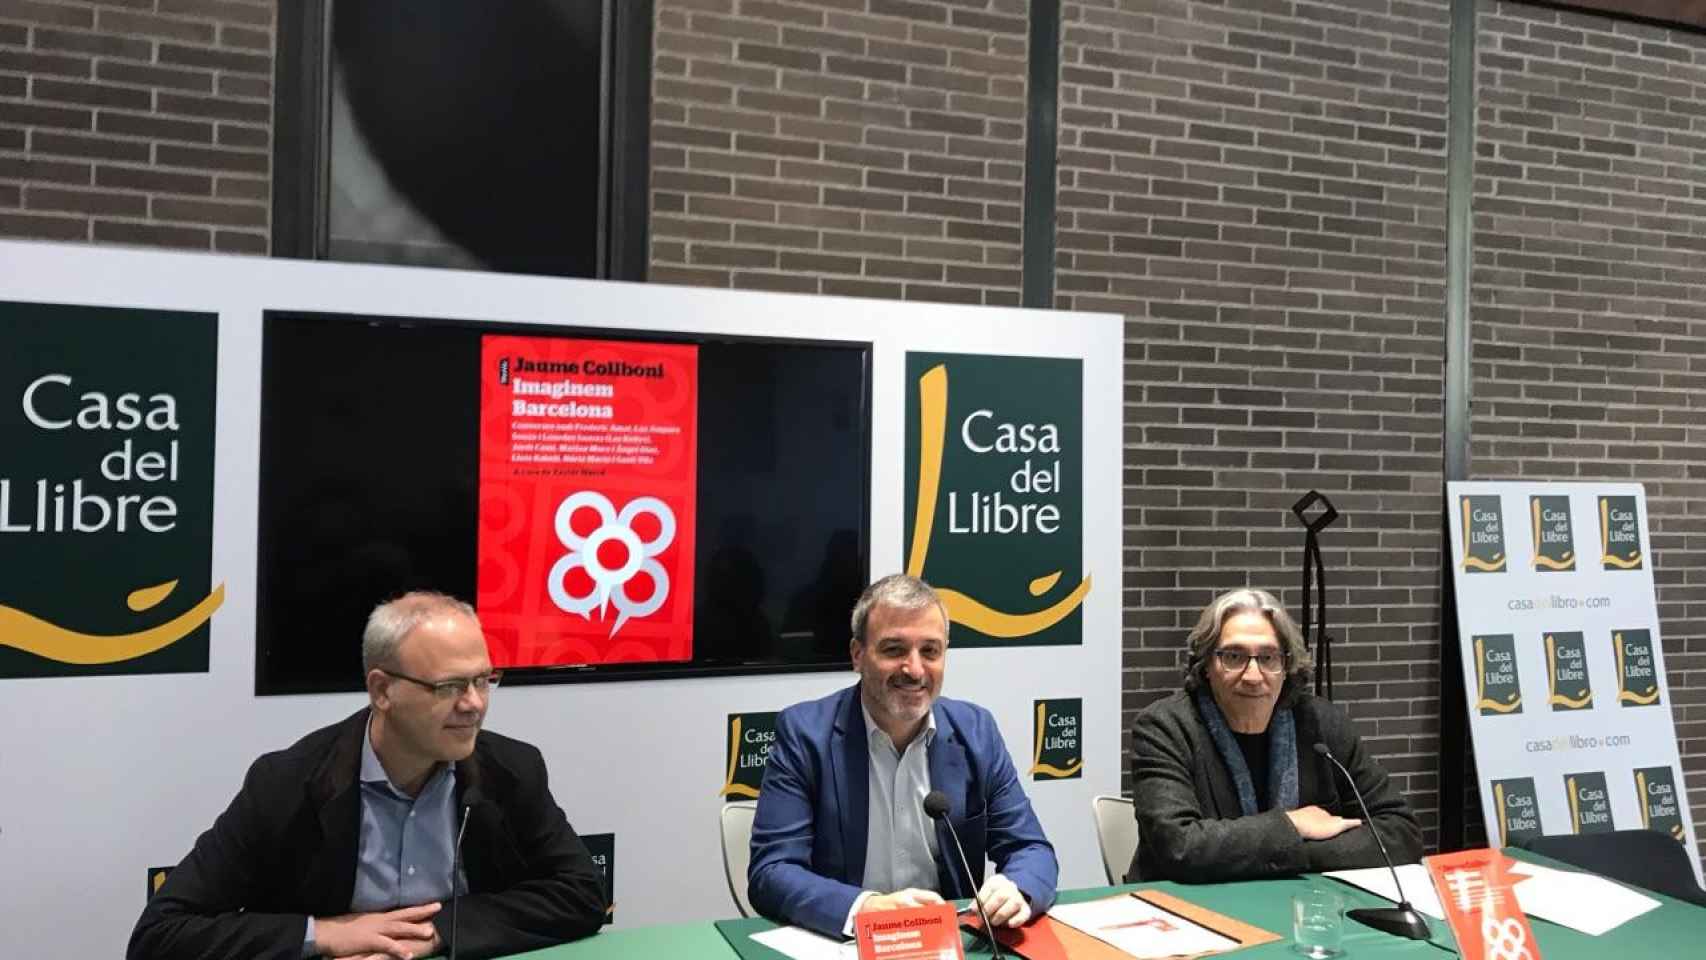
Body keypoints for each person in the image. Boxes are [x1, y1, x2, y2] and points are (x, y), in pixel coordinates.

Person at [129, 592, 607, 960]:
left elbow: (580, 893)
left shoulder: (510, 771)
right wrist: (327, 934)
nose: (474, 704)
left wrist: (435, 932)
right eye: (449, 686)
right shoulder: (287, 784)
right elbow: (163, 933)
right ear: (382, 690)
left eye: (484, 680)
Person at [748, 574, 1058, 938]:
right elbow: (772, 871)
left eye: (930, 651)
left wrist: (1015, 888)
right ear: (858, 655)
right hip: (845, 945)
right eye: (894, 650)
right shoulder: (805, 733)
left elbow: (1031, 848)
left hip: (946, 944)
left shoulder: (976, 731)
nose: (914, 670)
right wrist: (866, 907)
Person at [1127, 588, 1421, 883]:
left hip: (1302, 909)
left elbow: (1400, 835)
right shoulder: (1164, 727)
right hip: (1187, 911)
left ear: (1286, 666)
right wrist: (1293, 826)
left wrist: (1293, 851)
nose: (1253, 676)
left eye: (1268, 657)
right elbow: (1181, 848)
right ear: (1205, 667)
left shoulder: (1323, 724)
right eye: (1233, 656)